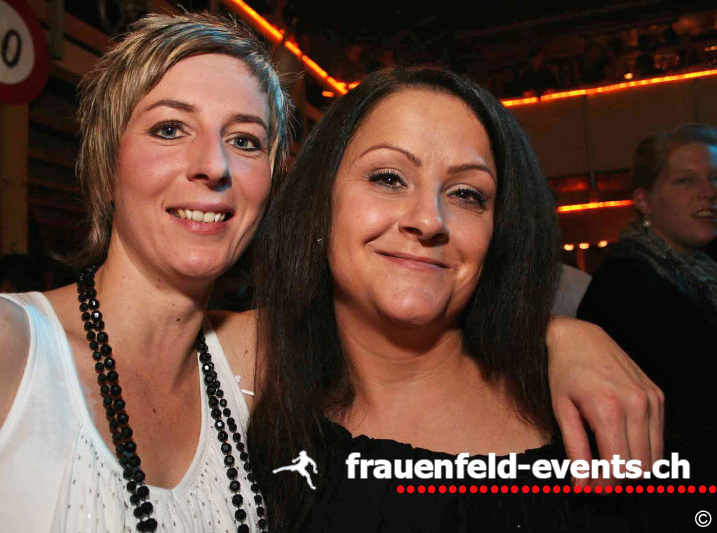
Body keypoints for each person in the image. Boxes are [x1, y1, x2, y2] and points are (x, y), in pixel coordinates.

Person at [0, 13, 662, 533]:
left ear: (272, 188)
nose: (211, 165)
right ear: (106, 165)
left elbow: (410, 325)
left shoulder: (252, 363)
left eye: (245, 140)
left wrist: (565, 337)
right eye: (170, 128)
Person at [246, 66, 663, 531]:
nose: (429, 220)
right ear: (321, 199)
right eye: (388, 178)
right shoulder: (236, 372)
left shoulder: (581, 421)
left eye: (466, 193)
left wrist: (561, 335)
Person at [578, 124, 717, 484]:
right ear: (643, 201)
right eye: (685, 181)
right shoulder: (623, 285)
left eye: (714, 178)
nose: (709, 192)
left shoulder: (702, 266)